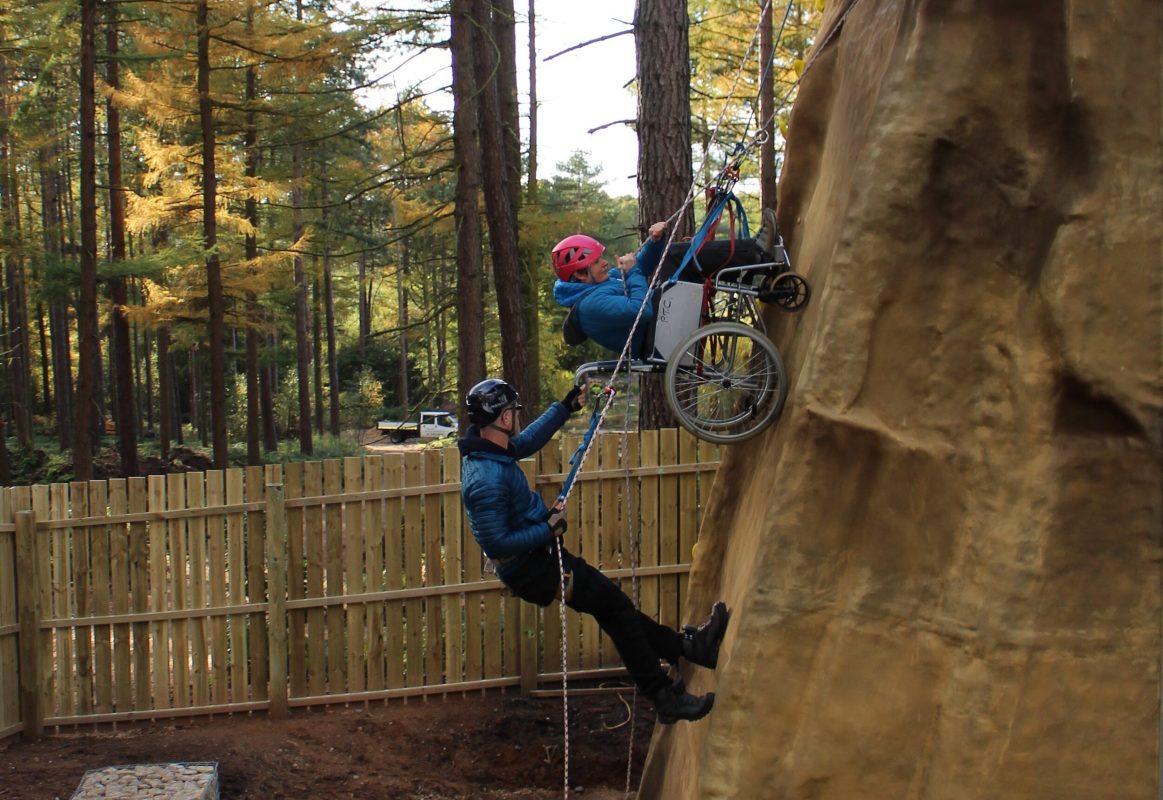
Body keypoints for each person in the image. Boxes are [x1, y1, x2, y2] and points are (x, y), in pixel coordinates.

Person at [458, 377, 730, 724]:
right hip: (531, 570)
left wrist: (565, 408)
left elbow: (525, 444)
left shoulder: (489, 448)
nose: (517, 416)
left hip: (538, 558)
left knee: (614, 608)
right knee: (615, 609)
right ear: (502, 417)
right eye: (513, 411)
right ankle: (663, 695)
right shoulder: (485, 480)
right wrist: (547, 529)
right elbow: (496, 543)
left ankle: (687, 650)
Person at [551, 208, 780, 356]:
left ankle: (751, 268)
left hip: (659, 329)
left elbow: (641, 266)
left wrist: (654, 242)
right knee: (674, 256)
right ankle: (754, 253)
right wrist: (631, 274)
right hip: (656, 341)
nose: (603, 263)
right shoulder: (590, 306)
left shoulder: (598, 284)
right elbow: (640, 311)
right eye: (596, 262)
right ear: (580, 275)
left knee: (672, 254)